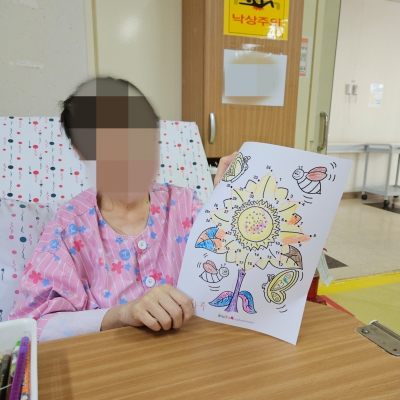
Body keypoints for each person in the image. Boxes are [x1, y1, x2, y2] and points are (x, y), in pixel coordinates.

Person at [9, 77, 235, 341]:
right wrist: (122, 314)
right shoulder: (69, 227)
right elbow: (30, 328)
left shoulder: (186, 205)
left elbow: (236, 271)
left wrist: (229, 204)